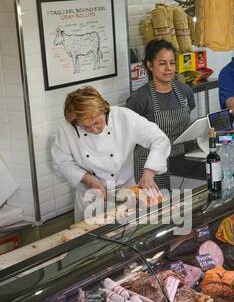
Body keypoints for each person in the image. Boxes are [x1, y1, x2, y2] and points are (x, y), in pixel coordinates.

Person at [50, 86, 171, 222]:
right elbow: (61, 162)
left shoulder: (123, 117)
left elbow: (159, 139)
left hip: (126, 193)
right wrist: (90, 179)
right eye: (86, 127)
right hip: (90, 197)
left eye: (97, 122)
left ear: (104, 109)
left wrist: (149, 173)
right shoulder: (66, 129)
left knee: (126, 234)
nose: (94, 129)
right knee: (92, 239)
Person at [126, 39, 197, 194]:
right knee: (155, 210)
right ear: (150, 65)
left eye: (172, 63)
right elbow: (130, 136)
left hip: (180, 159)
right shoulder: (140, 98)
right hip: (150, 166)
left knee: (182, 209)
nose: (169, 68)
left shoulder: (184, 91)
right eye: (162, 63)